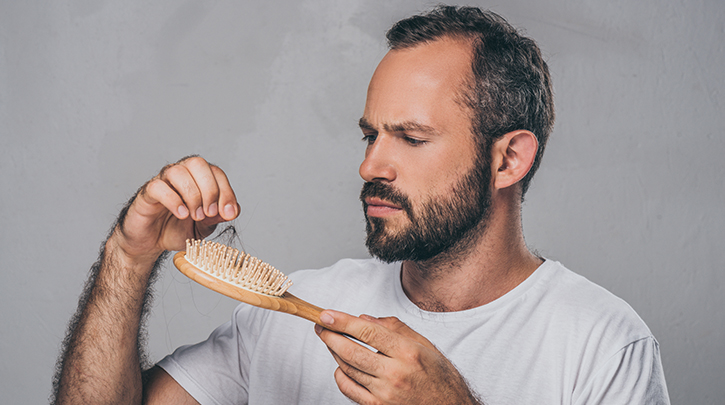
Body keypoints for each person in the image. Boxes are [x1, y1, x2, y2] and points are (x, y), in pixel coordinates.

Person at [53, 6, 670, 405]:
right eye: (370, 135)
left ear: (507, 160)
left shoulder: (602, 346)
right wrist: (127, 258)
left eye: (411, 137)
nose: (370, 165)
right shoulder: (284, 316)